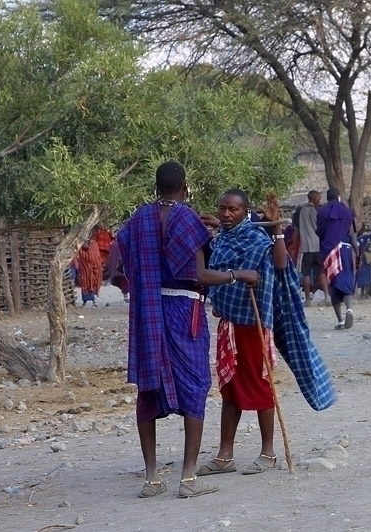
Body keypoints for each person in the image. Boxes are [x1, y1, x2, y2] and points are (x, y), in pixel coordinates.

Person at [116, 160, 259, 499]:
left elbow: (122, 264)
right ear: (184, 187)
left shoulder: (139, 219)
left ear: (156, 187)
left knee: (148, 388)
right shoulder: (186, 219)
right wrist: (240, 274)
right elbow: (200, 275)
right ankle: (189, 478)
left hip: (148, 311)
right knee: (195, 385)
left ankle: (152, 479)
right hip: (184, 311)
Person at [198, 189, 336, 476]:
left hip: (254, 323)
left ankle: (268, 452)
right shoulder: (223, 236)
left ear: (245, 212)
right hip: (229, 325)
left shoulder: (256, 238)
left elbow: (280, 264)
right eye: (222, 208)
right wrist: (216, 227)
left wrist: (276, 230)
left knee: (260, 386)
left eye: (232, 209)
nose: (226, 213)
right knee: (230, 389)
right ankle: (225, 456)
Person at [317, 188, 357, 330]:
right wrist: (357, 252)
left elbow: (320, 233)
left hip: (329, 251)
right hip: (345, 249)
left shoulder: (321, 212)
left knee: (333, 282)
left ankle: (340, 320)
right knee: (346, 279)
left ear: (327, 198)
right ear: (338, 197)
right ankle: (349, 309)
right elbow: (352, 234)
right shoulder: (347, 211)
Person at [297, 190, 329, 306]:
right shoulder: (317, 211)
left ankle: (308, 299)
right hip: (317, 245)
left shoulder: (301, 211)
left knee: (306, 273)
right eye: (319, 198)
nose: (319, 201)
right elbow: (319, 226)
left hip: (306, 247)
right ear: (314, 199)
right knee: (321, 272)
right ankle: (326, 297)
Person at [75, 237, 103, 307]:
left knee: (91, 284)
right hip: (85, 270)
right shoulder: (80, 246)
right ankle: (87, 301)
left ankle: (93, 300)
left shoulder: (93, 244)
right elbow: (85, 256)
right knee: (85, 284)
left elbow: (95, 256)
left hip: (94, 269)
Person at [356, 223, 371, 299]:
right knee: (362, 277)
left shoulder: (366, 237)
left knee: (367, 277)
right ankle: (362, 294)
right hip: (360, 258)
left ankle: (365, 295)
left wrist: (369, 230)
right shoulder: (357, 237)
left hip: (365, 259)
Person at [107, 237, 130, 302]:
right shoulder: (127, 243)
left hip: (117, 267)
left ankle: (125, 296)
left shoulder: (112, 245)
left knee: (123, 282)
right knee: (125, 281)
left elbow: (110, 257)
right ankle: (126, 296)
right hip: (124, 265)